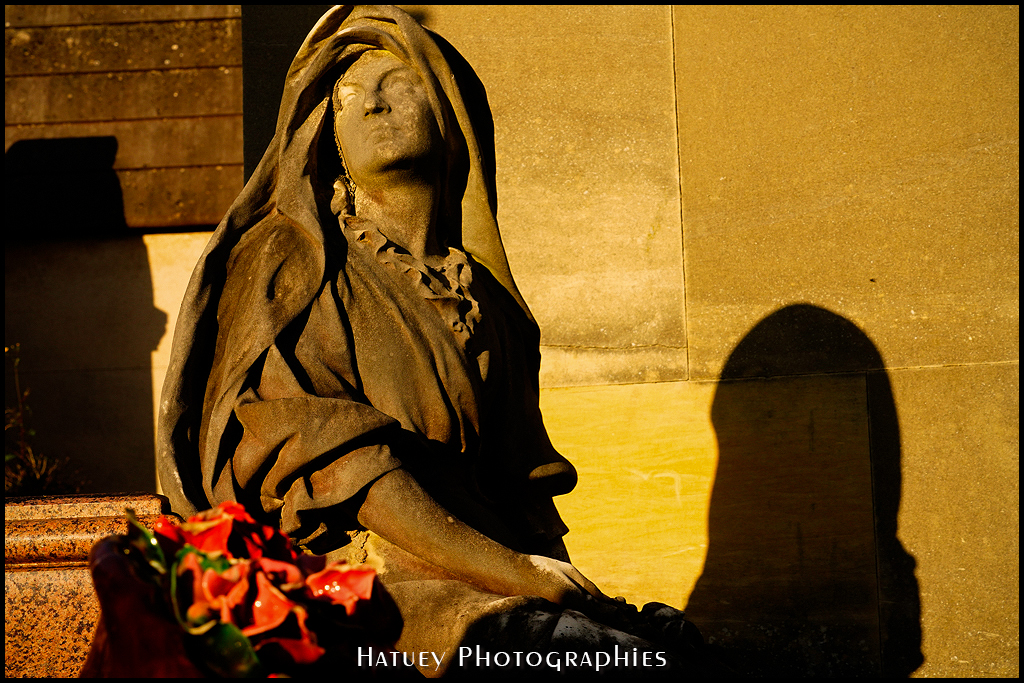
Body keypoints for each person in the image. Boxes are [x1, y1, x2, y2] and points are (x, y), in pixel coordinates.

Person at [158, 6, 707, 675]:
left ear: (447, 115)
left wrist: (565, 583)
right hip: (356, 592)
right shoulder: (292, 261)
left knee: (664, 654)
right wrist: (516, 573)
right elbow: (339, 464)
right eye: (346, 99)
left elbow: (519, 496)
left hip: (478, 578)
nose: (372, 106)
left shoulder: (488, 302)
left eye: (397, 83)